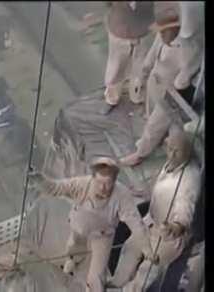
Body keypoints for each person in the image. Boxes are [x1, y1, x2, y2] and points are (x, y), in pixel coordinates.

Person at [29, 157, 155, 292]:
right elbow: (56, 188)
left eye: (108, 184)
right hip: (79, 228)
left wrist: (146, 247)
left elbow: (135, 222)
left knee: (97, 275)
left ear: (114, 181)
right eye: (99, 182)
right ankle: (73, 260)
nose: (103, 188)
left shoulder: (121, 194)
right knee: (73, 248)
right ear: (93, 177)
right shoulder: (81, 184)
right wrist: (40, 180)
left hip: (103, 235)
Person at [109, 129, 201, 292]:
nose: (171, 154)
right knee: (130, 248)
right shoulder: (172, 164)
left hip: (168, 237)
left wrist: (174, 227)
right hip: (150, 222)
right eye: (169, 148)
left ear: (187, 151)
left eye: (177, 151)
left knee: (148, 269)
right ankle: (116, 283)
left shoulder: (189, 181)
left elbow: (185, 209)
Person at [120, 10, 199, 166]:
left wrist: (173, 88)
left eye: (165, 31)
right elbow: (152, 55)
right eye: (161, 31)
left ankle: (140, 154)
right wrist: (142, 76)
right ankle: (155, 142)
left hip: (172, 92)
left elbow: (183, 79)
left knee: (156, 124)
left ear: (175, 29)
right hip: (155, 81)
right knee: (151, 114)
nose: (162, 34)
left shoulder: (188, 49)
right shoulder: (161, 37)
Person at [102, 1, 155, 115]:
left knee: (141, 69)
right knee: (115, 68)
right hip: (119, 31)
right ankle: (111, 98)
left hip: (143, 32)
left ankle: (138, 98)